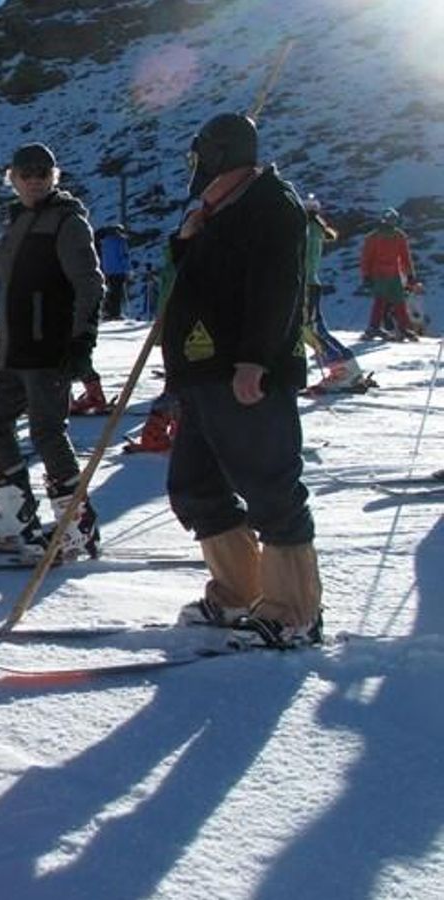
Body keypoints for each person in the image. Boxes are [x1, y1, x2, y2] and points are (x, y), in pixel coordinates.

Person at [162, 112, 322, 649]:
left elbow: (278, 289)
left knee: (269, 486)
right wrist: (187, 242)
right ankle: (237, 593)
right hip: (201, 373)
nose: (199, 172)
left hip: (243, 372)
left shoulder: (271, 205)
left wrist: (255, 359)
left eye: (205, 160)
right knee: (195, 486)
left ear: (224, 158)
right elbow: (203, 284)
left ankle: (293, 611)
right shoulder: (217, 211)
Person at [0, 142, 106, 559]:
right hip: (13, 352)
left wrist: (82, 341)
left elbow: (90, 285)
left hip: (49, 350)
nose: (34, 179)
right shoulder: (20, 222)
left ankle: (77, 525)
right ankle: (16, 515)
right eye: (25, 172)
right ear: (12, 178)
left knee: (47, 433)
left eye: (42, 172)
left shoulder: (68, 223)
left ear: (55, 176)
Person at [299, 195, 365, 393]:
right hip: (310, 284)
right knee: (312, 329)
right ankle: (348, 368)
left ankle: (343, 370)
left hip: (304, 285)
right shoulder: (316, 229)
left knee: (311, 329)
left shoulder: (305, 230)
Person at [359, 208, 422, 340]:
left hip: (383, 274)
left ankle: (376, 328)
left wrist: (366, 275)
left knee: (383, 301)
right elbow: (406, 258)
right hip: (390, 274)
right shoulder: (398, 236)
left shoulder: (373, 237)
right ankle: (402, 328)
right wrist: (410, 275)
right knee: (397, 301)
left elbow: (366, 258)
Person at [97, 223, 131, 320]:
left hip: (107, 271)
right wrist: (127, 269)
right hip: (118, 271)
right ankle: (116, 313)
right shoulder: (121, 241)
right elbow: (124, 256)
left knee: (109, 291)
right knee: (117, 292)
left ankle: (107, 312)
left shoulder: (104, 242)